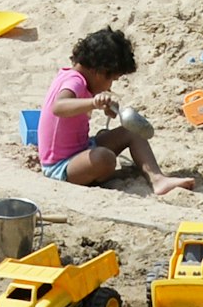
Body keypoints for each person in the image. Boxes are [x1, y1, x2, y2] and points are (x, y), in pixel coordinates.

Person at [33, 26, 192, 196]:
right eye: (113, 80)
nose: (110, 86)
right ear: (100, 72)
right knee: (105, 158)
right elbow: (59, 107)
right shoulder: (74, 81)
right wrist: (93, 103)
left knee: (131, 132)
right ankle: (98, 174)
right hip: (61, 166)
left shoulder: (77, 79)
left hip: (81, 149)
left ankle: (158, 179)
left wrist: (105, 108)